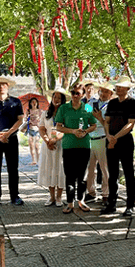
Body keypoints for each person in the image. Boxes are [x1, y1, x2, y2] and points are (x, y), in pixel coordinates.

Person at [55, 83, 97, 213]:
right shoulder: (63, 108)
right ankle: (69, 202)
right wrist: (73, 131)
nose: (74, 96)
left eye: (77, 93)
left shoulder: (88, 108)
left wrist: (85, 131)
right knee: (69, 175)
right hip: (69, 146)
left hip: (84, 146)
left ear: (83, 95)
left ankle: (81, 200)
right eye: (73, 93)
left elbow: (94, 125)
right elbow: (58, 126)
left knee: (82, 175)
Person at [0, 76, 25, 207]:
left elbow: (20, 120)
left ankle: (15, 196)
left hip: (11, 139)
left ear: (7, 86)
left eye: (3, 84)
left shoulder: (15, 102)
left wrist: (8, 133)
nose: (0, 87)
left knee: (13, 169)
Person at [101, 76, 135, 216]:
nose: (118, 88)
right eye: (117, 86)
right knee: (112, 174)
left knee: (129, 174)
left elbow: (130, 123)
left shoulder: (132, 103)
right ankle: (111, 204)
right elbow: (107, 121)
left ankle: (130, 205)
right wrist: (109, 135)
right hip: (110, 141)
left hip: (125, 141)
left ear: (128, 89)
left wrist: (115, 137)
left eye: (122, 86)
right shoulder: (112, 103)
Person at [85, 81, 113, 205]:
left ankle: (106, 194)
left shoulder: (111, 106)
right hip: (90, 138)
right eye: (101, 90)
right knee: (90, 169)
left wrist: (99, 118)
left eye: (106, 91)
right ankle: (91, 192)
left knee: (105, 168)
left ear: (111, 94)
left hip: (102, 138)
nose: (103, 93)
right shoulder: (90, 103)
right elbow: (84, 116)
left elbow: (110, 126)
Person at [38, 88, 67, 207]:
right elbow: (41, 128)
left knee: (60, 169)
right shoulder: (46, 113)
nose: (56, 100)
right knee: (49, 168)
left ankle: (59, 197)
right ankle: (52, 197)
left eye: (59, 98)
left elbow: (65, 130)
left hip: (61, 144)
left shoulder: (66, 113)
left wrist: (55, 139)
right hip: (48, 145)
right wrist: (47, 140)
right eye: (55, 97)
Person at [26, 97, 42, 165]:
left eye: (35, 102)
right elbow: (26, 119)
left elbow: (42, 120)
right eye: (32, 102)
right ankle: (33, 160)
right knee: (31, 145)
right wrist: (29, 119)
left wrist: (37, 122)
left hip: (37, 129)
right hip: (30, 129)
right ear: (30, 103)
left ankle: (39, 160)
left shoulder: (40, 111)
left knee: (37, 145)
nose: (34, 103)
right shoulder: (28, 111)